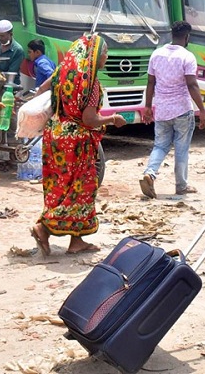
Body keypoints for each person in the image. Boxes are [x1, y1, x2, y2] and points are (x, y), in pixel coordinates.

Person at [30, 34, 126, 256]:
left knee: (60, 187)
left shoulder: (62, 74)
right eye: (104, 53)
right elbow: (89, 120)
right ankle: (44, 228)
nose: (106, 57)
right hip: (77, 142)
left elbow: (40, 90)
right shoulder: (90, 83)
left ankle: (77, 241)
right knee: (78, 190)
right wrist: (112, 119)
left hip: (55, 135)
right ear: (93, 56)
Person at [139, 21, 205, 198]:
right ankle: (181, 186)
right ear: (187, 37)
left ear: (172, 35)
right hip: (182, 110)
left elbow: (150, 82)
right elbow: (192, 84)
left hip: (161, 109)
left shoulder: (156, 54)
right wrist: (202, 110)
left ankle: (150, 173)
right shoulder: (187, 57)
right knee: (181, 148)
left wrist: (147, 106)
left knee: (160, 145)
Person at [0, 20, 24, 85]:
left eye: (2, 36)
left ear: (11, 34)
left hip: (10, 84)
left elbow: (11, 73)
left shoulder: (18, 50)